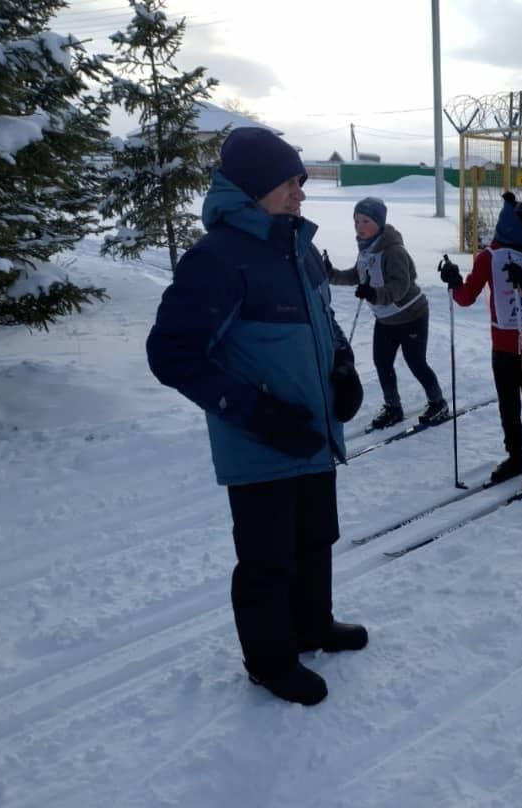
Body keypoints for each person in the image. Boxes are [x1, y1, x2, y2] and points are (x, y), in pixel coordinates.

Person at [146, 127, 368, 707]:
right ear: (254, 187)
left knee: (316, 538)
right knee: (268, 558)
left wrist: (344, 370)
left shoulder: (296, 246)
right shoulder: (217, 259)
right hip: (261, 443)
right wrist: (257, 414)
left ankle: (313, 625)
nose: (301, 192)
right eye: (291, 181)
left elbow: (326, 321)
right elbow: (170, 353)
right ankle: (270, 661)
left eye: (300, 180)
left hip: (314, 434)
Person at [437, 192, 522, 494]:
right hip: (503, 345)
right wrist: (453, 281)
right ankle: (516, 455)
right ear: (516, 229)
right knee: (508, 405)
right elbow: (466, 297)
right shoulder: (489, 258)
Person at [326, 197, 449, 430]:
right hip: (385, 318)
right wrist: (331, 274)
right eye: (356, 221)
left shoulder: (393, 250)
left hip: (411, 314)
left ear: (380, 223)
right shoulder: (366, 247)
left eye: (366, 221)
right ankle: (393, 407)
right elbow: (358, 274)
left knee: (415, 362)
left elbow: (399, 287)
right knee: (382, 363)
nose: (359, 226)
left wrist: (373, 294)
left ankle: (438, 402)